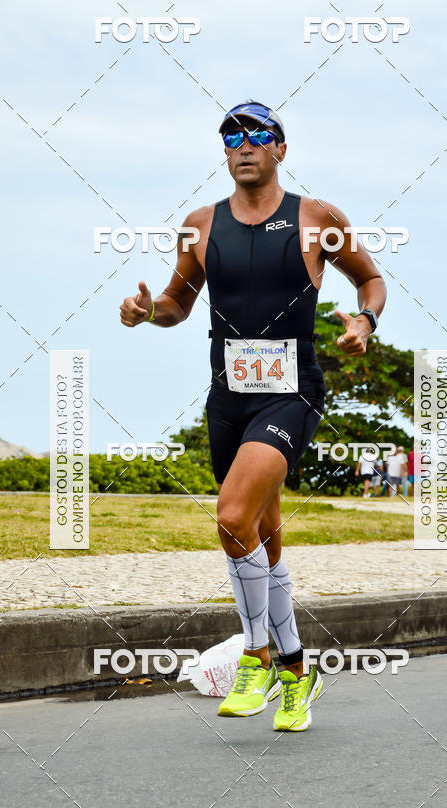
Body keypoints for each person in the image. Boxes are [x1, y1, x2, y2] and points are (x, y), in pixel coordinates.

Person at [120, 100, 386, 731]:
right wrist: (147, 312)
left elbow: (370, 280)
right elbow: (177, 302)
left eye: (258, 134)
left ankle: (257, 657)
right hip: (228, 396)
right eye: (231, 136)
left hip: (291, 391)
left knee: (232, 516)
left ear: (279, 150)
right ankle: (297, 672)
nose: (243, 144)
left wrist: (364, 322)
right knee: (260, 538)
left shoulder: (317, 218)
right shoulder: (200, 225)